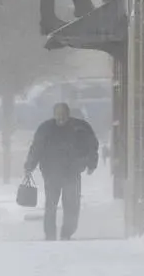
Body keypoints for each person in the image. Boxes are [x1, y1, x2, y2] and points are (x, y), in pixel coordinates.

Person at [24, 103, 99, 241]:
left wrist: (91, 164)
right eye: (58, 114)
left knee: (71, 204)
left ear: (68, 114)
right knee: (51, 204)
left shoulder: (80, 128)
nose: (60, 118)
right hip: (51, 172)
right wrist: (29, 166)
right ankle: (50, 233)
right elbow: (36, 148)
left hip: (72, 172)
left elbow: (91, 146)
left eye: (63, 114)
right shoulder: (46, 129)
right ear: (54, 114)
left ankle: (67, 232)